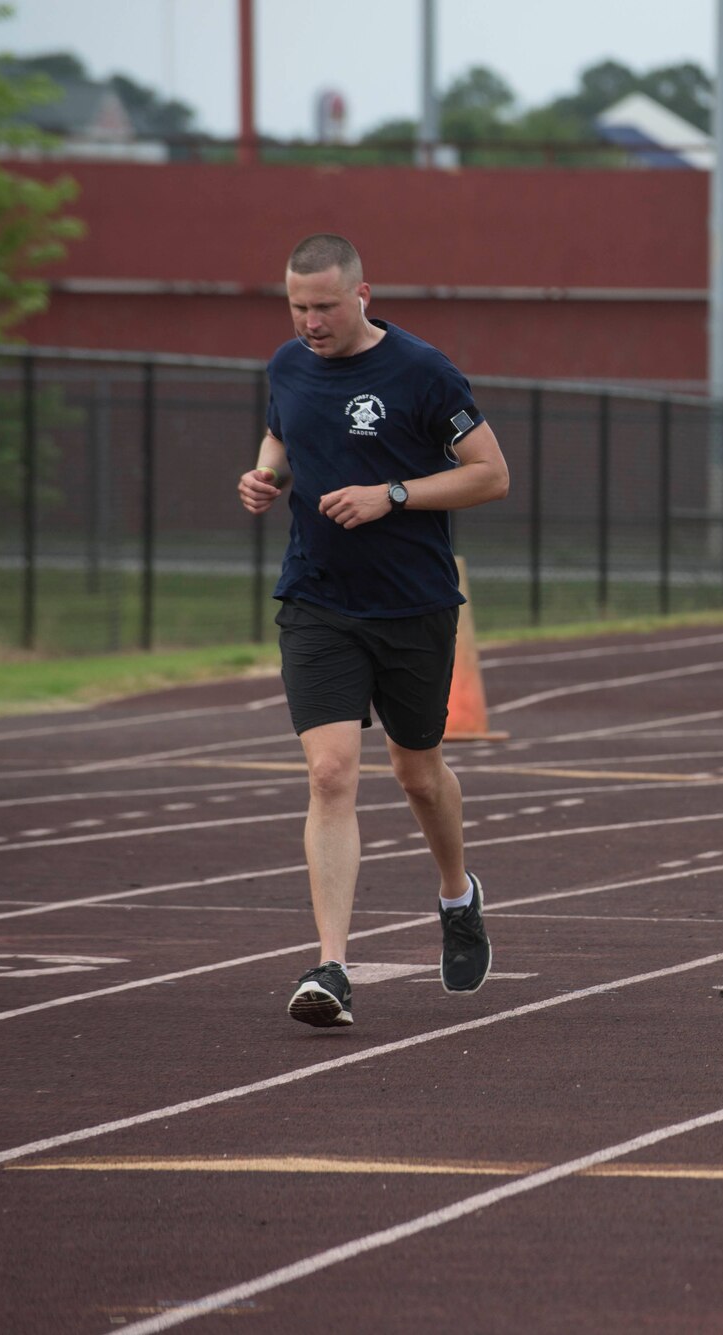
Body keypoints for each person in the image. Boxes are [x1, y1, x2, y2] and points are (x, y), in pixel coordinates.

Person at [237, 233, 510, 1028]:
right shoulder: (287, 364)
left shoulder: (422, 371)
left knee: (418, 772)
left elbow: (492, 474)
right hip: (318, 600)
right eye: (297, 306)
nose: (310, 322)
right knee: (330, 773)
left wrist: (390, 494)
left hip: (413, 604)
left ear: (362, 294)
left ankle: (458, 895)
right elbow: (282, 433)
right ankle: (331, 964)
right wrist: (264, 476)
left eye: (323, 306)